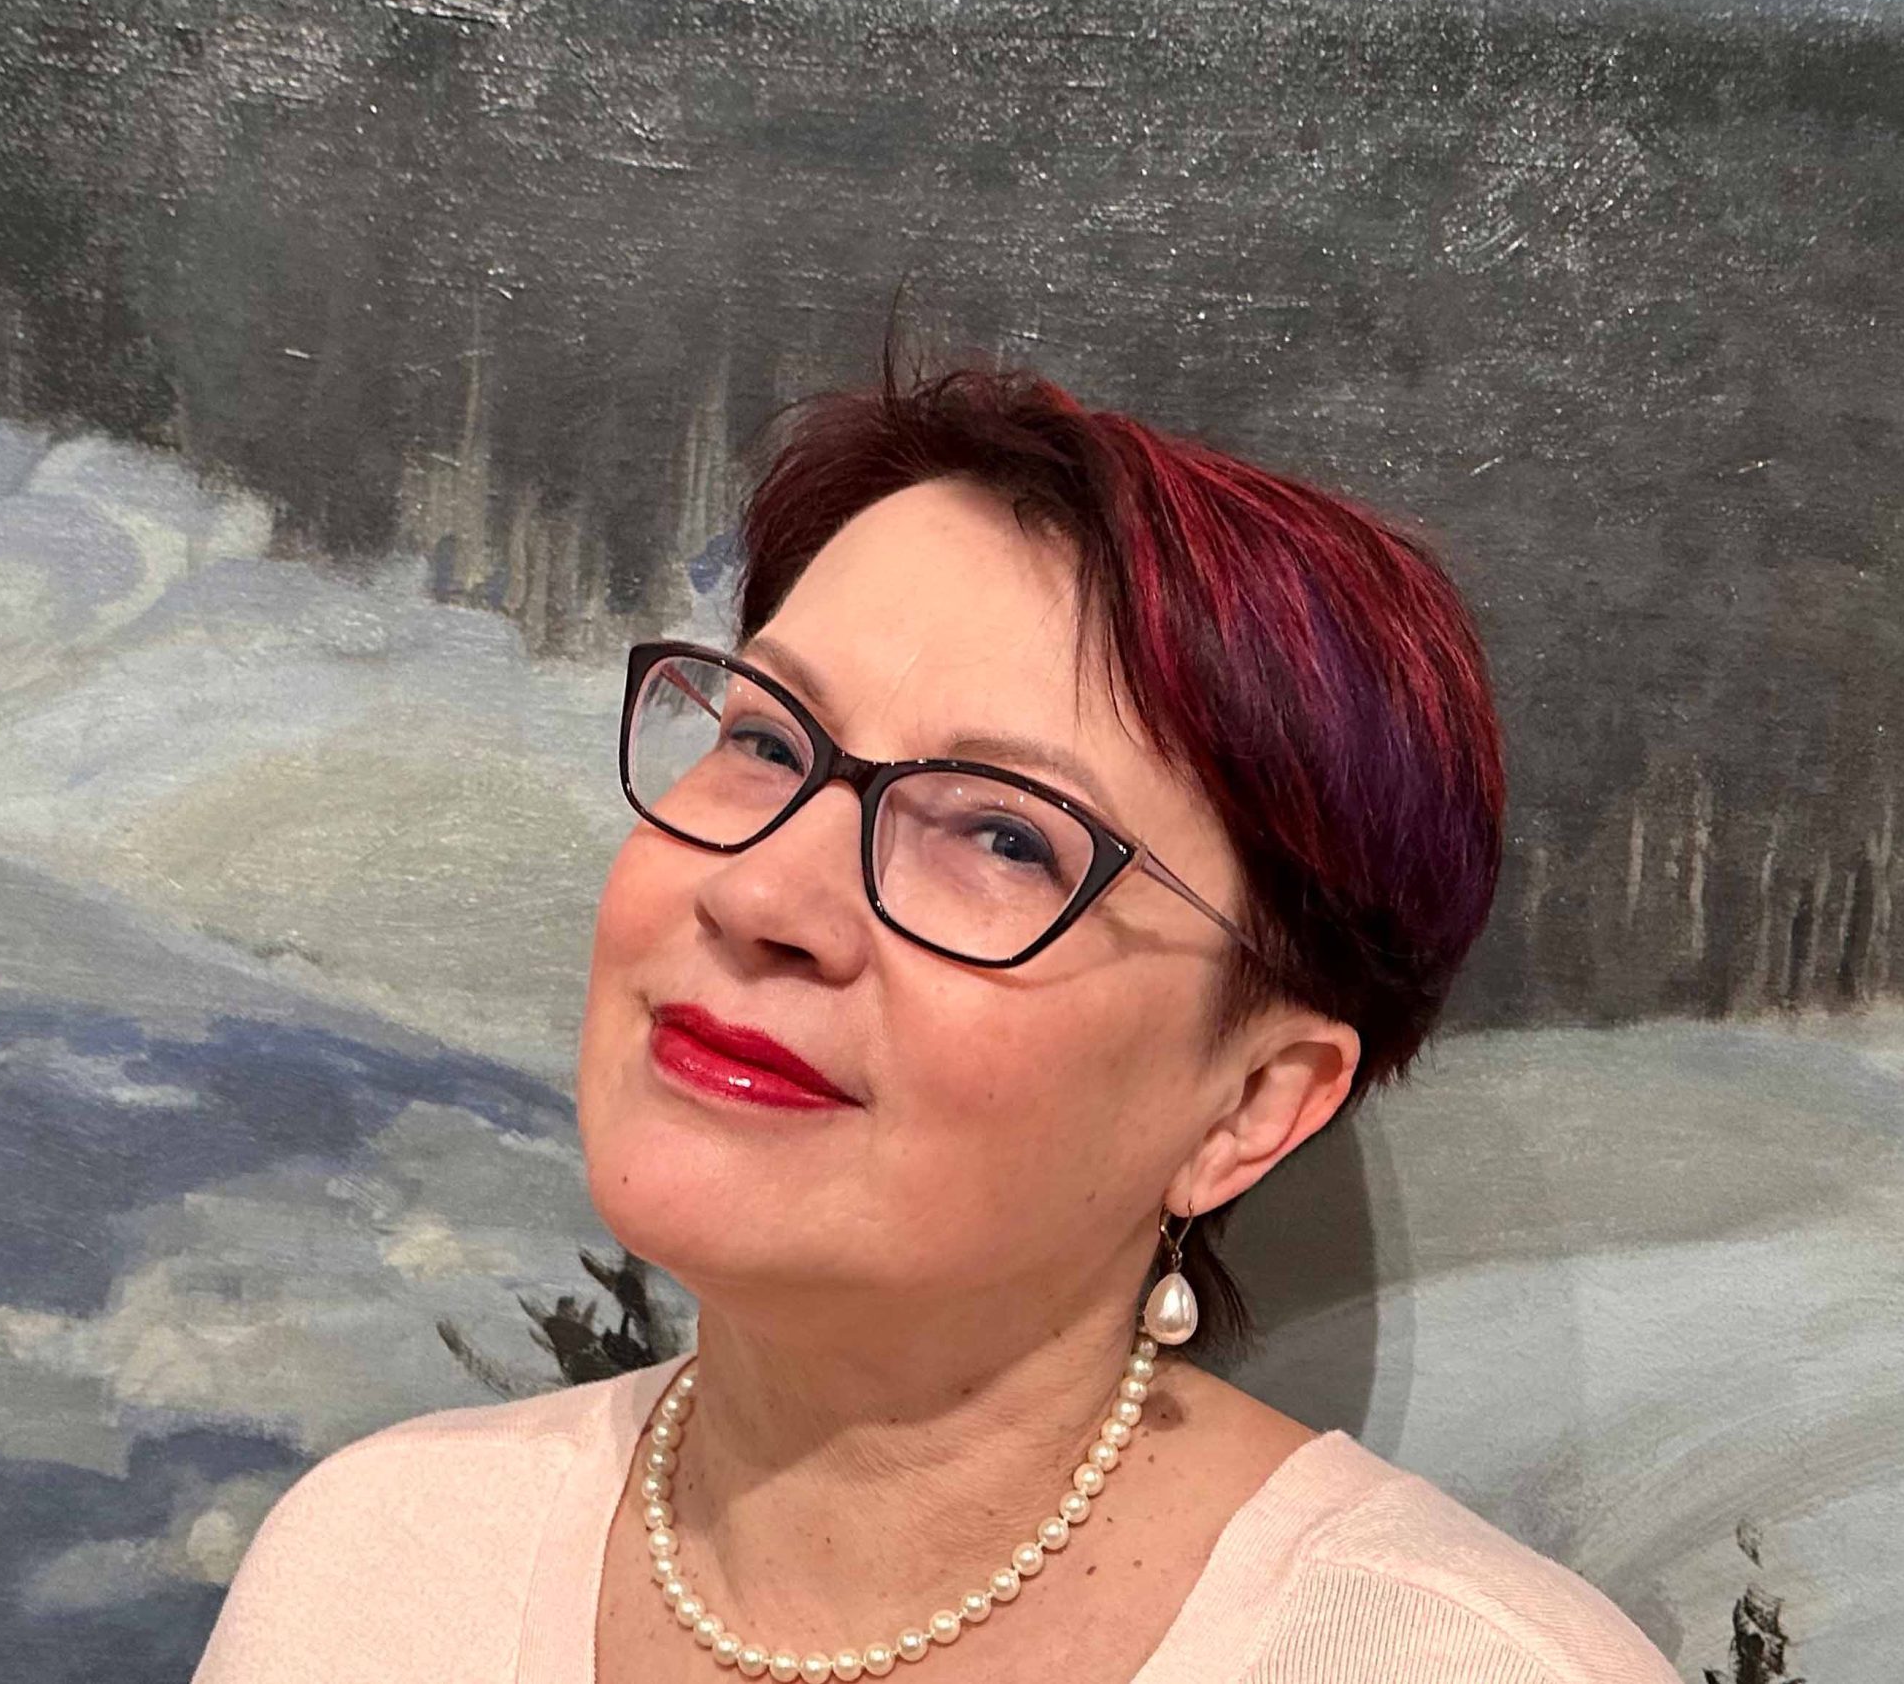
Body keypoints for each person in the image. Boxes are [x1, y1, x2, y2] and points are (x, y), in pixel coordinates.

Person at [192, 354, 1684, 1682]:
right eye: (764, 738)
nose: (762, 891)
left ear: (1251, 1102)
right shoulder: (371, 1569)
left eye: (1005, 835)